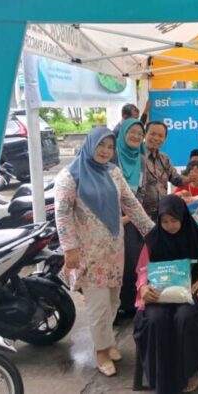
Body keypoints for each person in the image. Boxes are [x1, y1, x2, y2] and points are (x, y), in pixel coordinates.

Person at [54, 127, 155, 377]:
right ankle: (100, 352)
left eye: (110, 147)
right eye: (101, 145)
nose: (105, 151)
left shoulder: (113, 172)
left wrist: (152, 232)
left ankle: (107, 343)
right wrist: (69, 248)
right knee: (98, 306)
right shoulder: (69, 176)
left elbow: (131, 204)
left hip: (114, 250)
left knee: (113, 301)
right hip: (88, 253)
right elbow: (62, 214)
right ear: (90, 144)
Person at [134, 195, 198, 394]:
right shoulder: (153, 239)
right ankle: (159, 374)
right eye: (165, 221)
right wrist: (143, 288)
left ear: (183, 217)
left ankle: (189, 371)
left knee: (185, 318)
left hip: (189, 294)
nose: (169, 226)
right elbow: (142, 269)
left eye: (174, 220)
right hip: (158, 295)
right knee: (155, 320)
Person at [114, 118, 148, 317]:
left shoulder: (141, 160)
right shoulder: (113, 156)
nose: (136, 136)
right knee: (113, 262)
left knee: (132, 261)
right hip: (110, 215)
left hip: (133, 215)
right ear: (123, 133)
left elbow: (141, 190)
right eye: (132, 132)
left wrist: (130, 215)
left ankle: (129, 305)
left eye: (139, 133)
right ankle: (114, 307)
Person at [138, 121, 188, 219]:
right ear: (145, 134)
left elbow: (176, 179)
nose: (156, 138)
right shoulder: (136, 157)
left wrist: (189, 179)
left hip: (162, 212)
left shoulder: (165, 159)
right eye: (153, 134)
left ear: (165, 138)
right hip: (140, 214)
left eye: (160, 136)